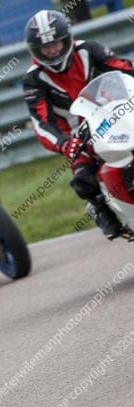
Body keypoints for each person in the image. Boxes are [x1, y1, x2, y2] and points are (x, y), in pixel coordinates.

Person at [23, 10, 134, 239]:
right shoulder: (33, 80)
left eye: (55, 43)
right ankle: (101, 209)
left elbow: (123, 68)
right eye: (45, 47)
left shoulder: (89, 49)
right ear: (35, 50)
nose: (52, 51)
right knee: (84, 178)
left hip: (110, 114)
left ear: (67, 39)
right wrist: (65, 143)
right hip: (76, 134)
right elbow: (41, 124)